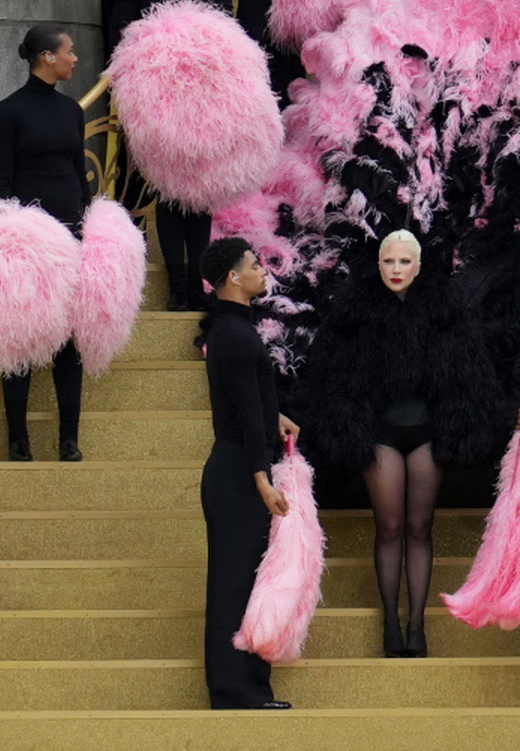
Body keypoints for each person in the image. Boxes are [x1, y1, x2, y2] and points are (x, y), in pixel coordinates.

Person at [300, 230, 506, 659]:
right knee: (390, 526)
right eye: (388, 262)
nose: (396, 270)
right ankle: (391, 623)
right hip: (380, 433)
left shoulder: (445, 311)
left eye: (404, 262)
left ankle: (417, 625)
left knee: (419, 527)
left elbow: (469, 377)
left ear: (418, 265)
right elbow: (332, 379)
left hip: (428, 431)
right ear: (378, 266)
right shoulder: (354, 313)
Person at [108, 0, 235, 310]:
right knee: (166, 189)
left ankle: (197, 286)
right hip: (156, 94)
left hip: (202, 94)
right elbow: (120, 32)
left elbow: (226, 36)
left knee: (198, 193)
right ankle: (177, 288)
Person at [196, 237, 301, 710]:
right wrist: (263, 479)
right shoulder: (234, 334)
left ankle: (244, 689)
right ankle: (235, 691)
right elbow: (242, 405)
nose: (263, 270)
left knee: (241, 583)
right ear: (234, 278)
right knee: (234, 586)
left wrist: (274, 419)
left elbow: (251, 400)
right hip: (239, 473)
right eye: (254, 265)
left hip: (239, 464)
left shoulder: (232, 328)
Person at [0, 23, 93, 462]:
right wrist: (12, 238)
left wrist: (89, 224)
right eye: (70, 52)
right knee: (23, 338)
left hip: (71, 235)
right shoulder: (10, 111)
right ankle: (19, 439)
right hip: (29, 241)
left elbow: (79, 172)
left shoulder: (72, 110)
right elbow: (4, 181)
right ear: (47, 57)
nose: (75, 59)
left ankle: (69, 439)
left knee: (70, 339)